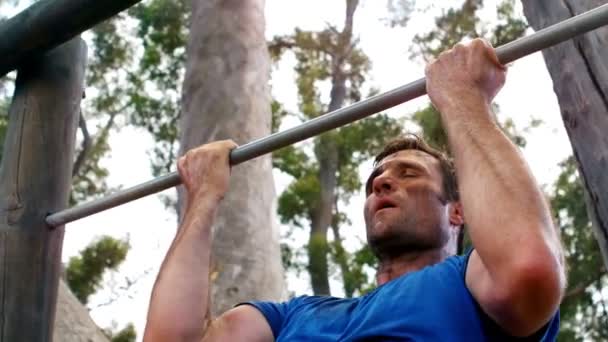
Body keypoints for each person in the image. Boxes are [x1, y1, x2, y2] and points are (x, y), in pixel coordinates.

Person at [143, 39, 565, 341]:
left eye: (410, 174)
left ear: (457, 211)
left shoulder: (469, 282)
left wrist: (462, 99)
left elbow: (527, 268)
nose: (383, 181)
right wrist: (204, 197)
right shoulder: (293, 317)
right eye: (376, 180)